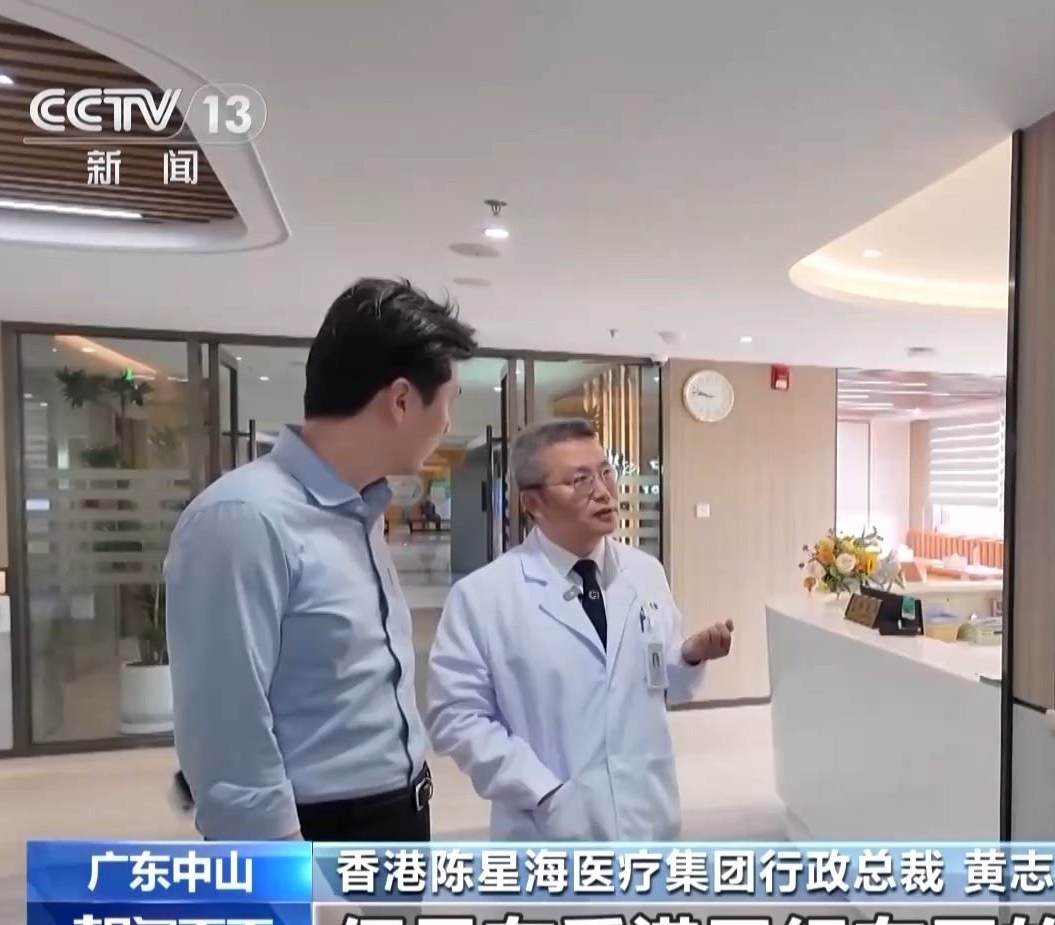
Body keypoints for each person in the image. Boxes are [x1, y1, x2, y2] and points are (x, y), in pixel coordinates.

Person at [165, 277, 477, 841]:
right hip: (316, 834)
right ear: (402, 400)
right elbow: (225, 731)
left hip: (397, 815)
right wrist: (281, 872)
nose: (449, 424)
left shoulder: (360, 510)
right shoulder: (244, 518)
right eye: (449, 401)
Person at [425, 416, 733, 841]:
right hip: (546, 828)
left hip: (647, 815)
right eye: (580, 481)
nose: (604, 492)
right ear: (534, 503)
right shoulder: (483, 596)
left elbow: (660, 685)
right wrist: (544, 793)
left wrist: (689, 657)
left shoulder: (645, 573)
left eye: (606, 473)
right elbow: (455, 717)